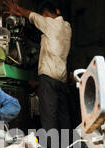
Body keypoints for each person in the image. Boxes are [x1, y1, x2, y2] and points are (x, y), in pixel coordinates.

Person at [4, 0, 72, 136]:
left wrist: (18, 9)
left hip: (48, 77)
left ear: (46, 14)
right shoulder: (67, 27)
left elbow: (32, 15)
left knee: (48, 115)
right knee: (63, 115)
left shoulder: (49, 23)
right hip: (61, 79)